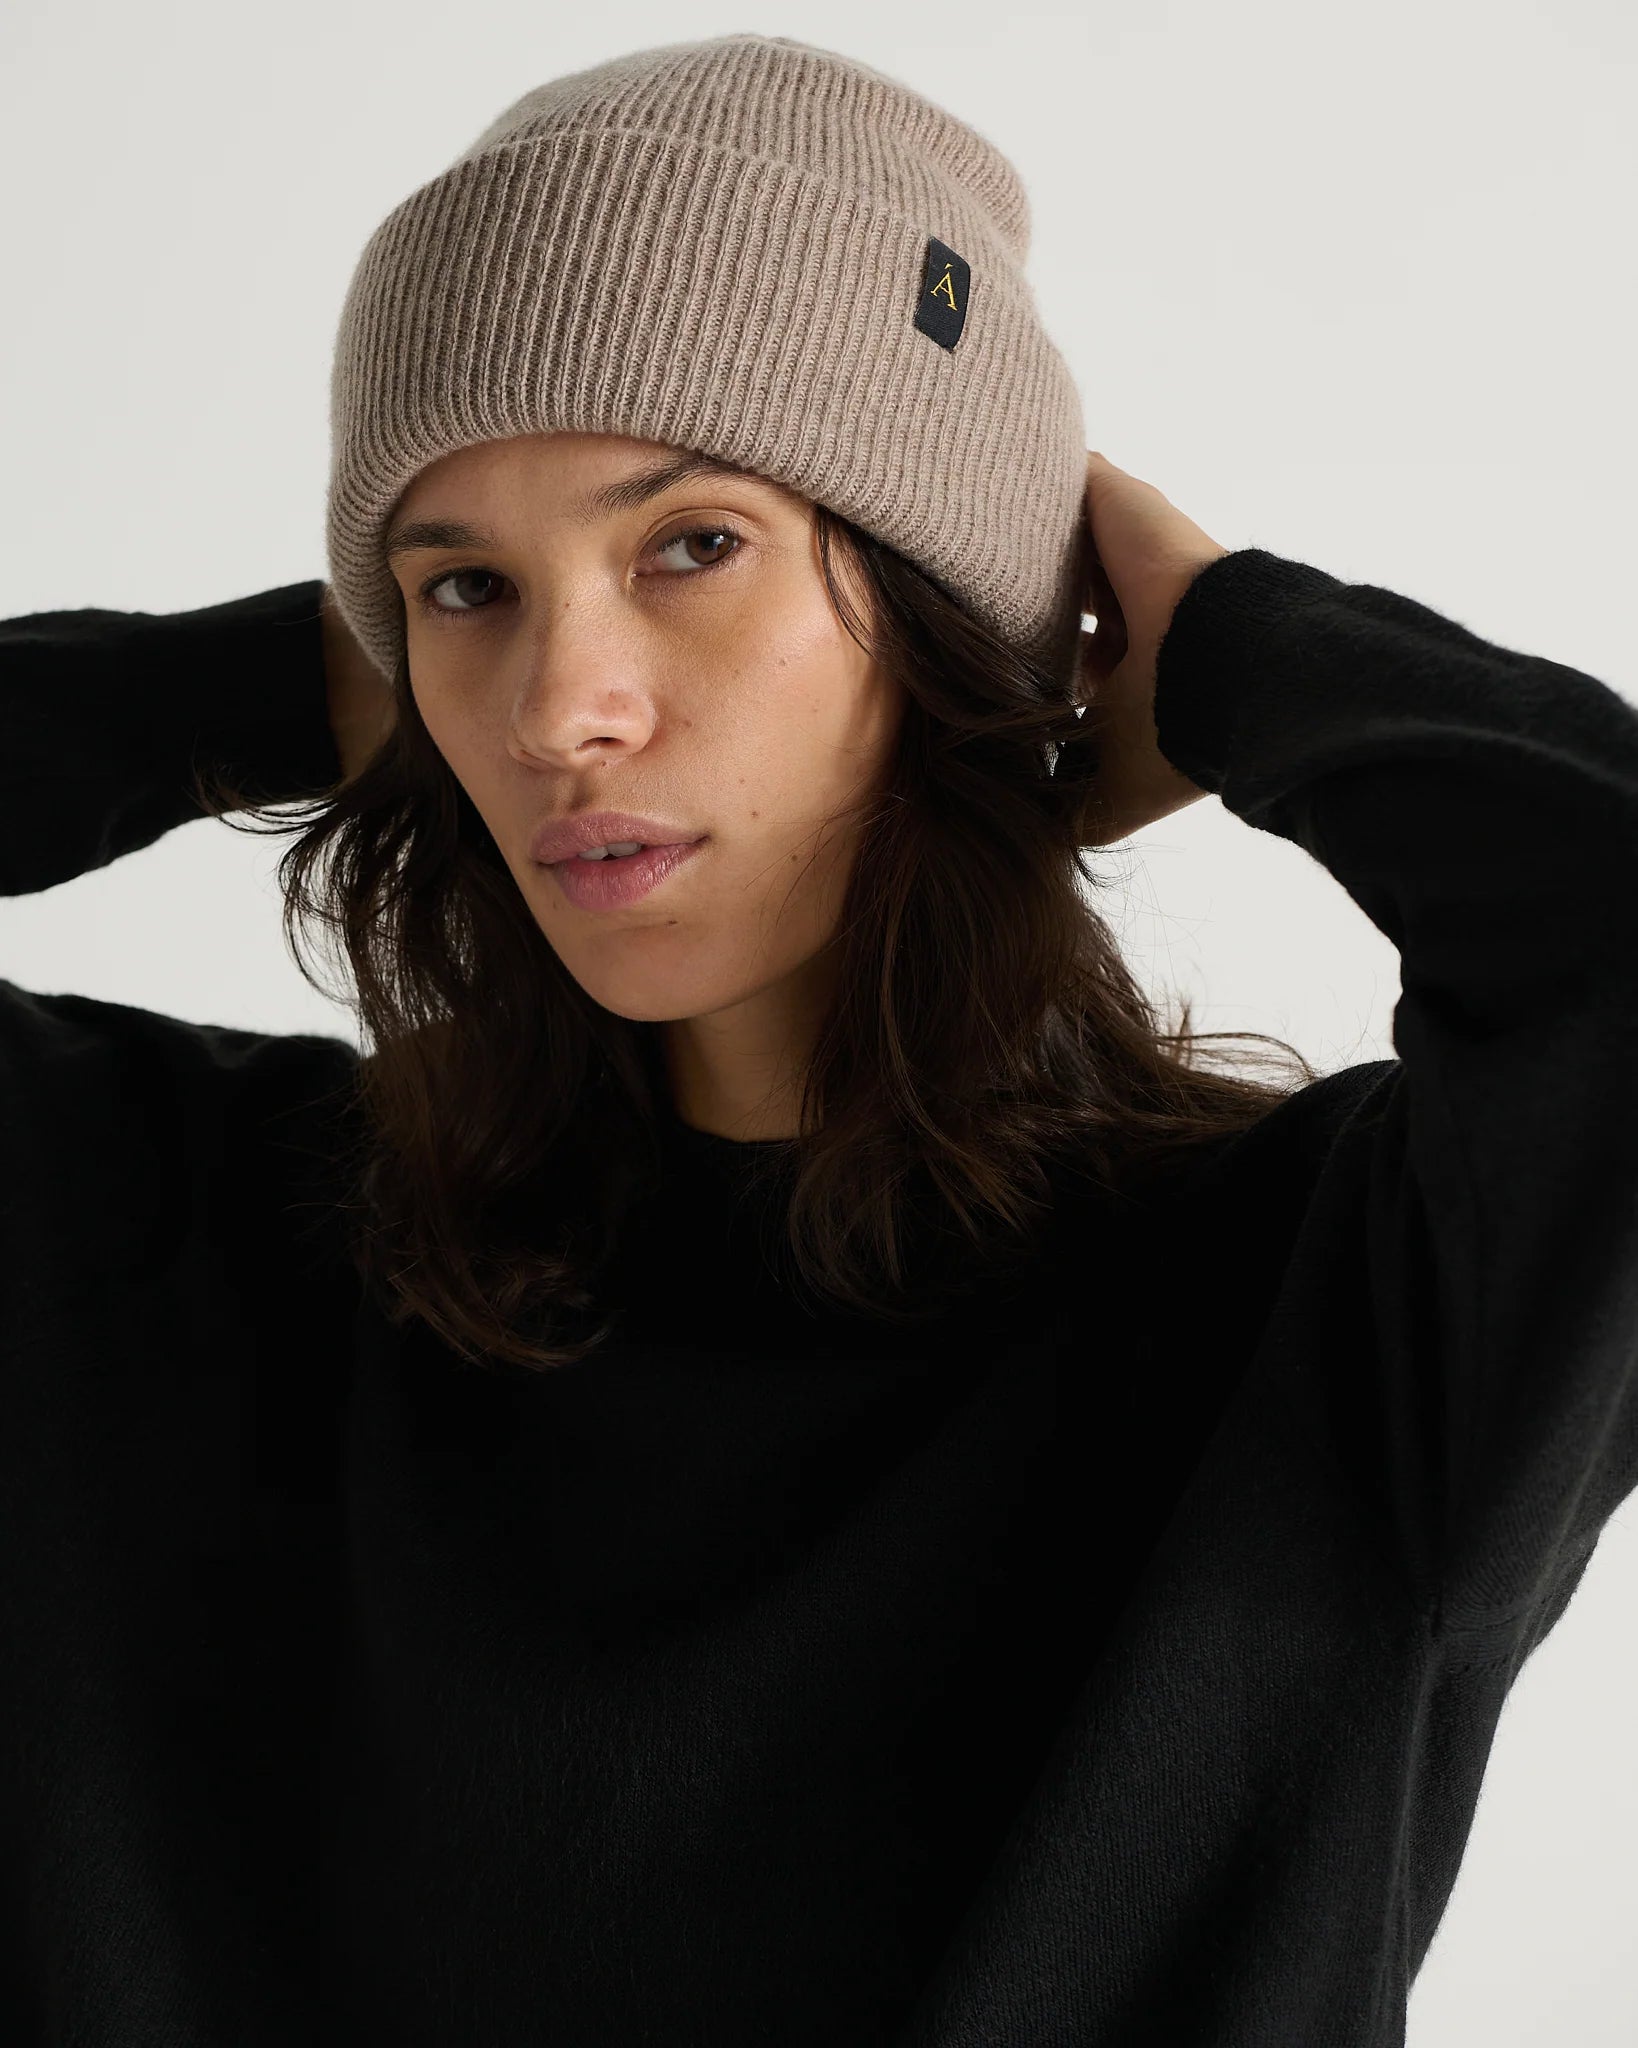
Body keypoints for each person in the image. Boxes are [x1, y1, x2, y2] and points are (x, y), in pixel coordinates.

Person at [3, 32, 1635, 2048]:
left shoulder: (1335, 1321)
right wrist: (279, 683)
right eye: (466, 587)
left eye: (691, 543)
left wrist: (1226, 641)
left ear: (948, 612)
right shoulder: (176, 1240)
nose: (557, 708)